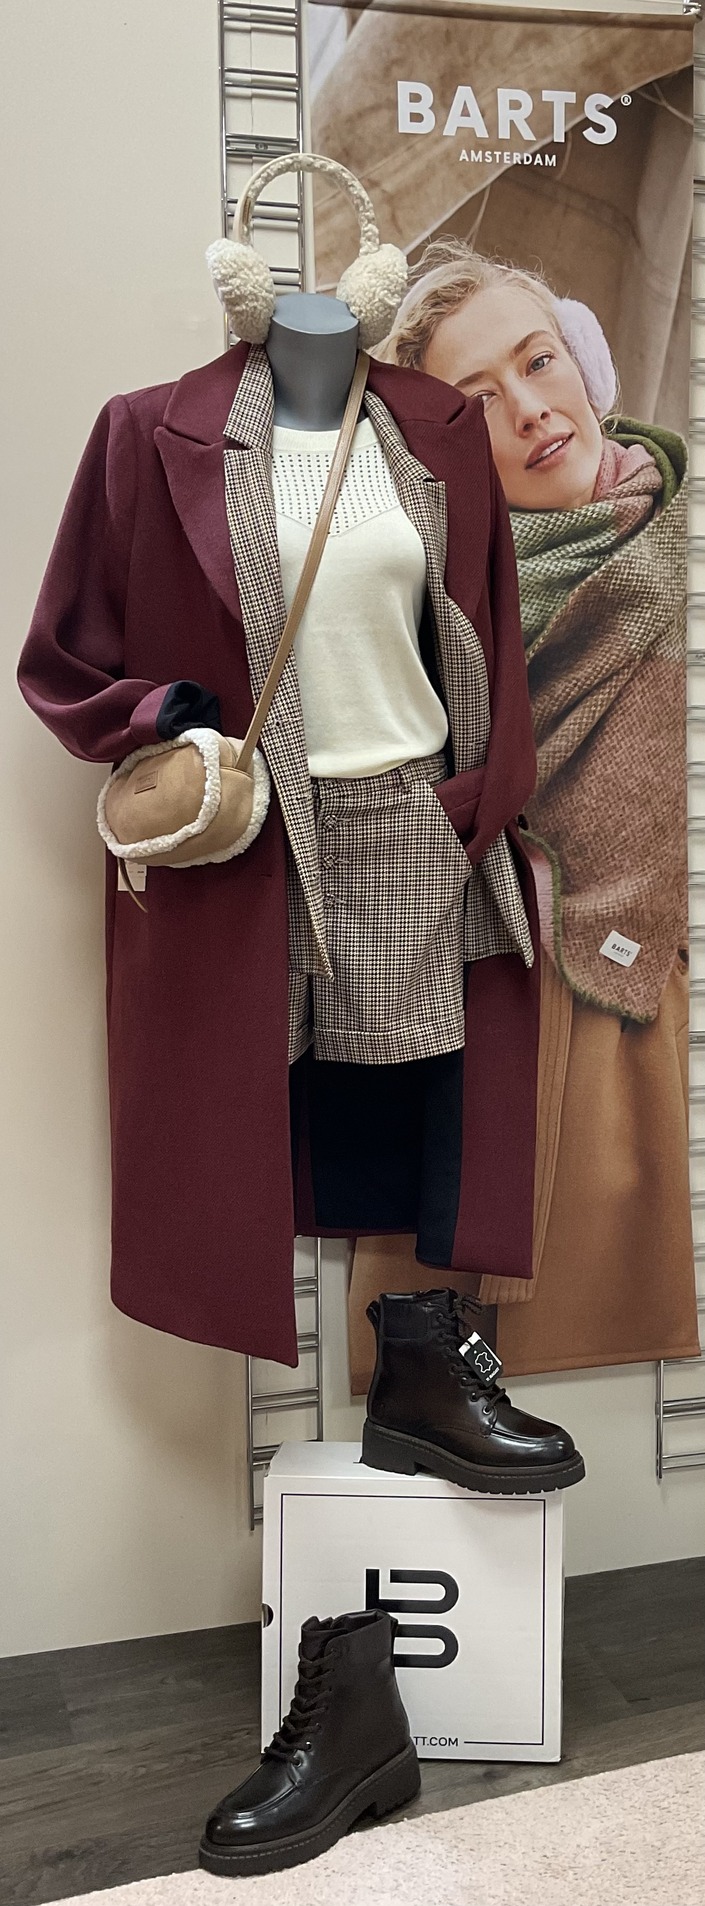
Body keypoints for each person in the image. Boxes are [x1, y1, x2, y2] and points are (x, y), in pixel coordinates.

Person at [349, 242, 700, 1382]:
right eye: (480, 402)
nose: (533, 409)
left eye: (540, 361)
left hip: (636, 993)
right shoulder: (419, 603)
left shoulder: (677, 542)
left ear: (584, 360)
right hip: (481, 998)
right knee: (440, 1374)